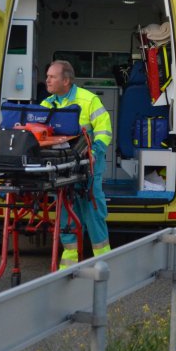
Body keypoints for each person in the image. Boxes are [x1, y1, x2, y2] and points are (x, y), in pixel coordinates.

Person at [41, 60, 113, 269]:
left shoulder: (88, 100)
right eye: (47, 76)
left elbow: (104, 131)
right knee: (66, 214)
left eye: (52, 77)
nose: (47, 80)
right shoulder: (47, 104)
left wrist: (94, 153)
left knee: (93, 213)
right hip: (61, 170)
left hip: (88, 168)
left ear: (66, 81)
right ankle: (69, 263)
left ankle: (103, 261)